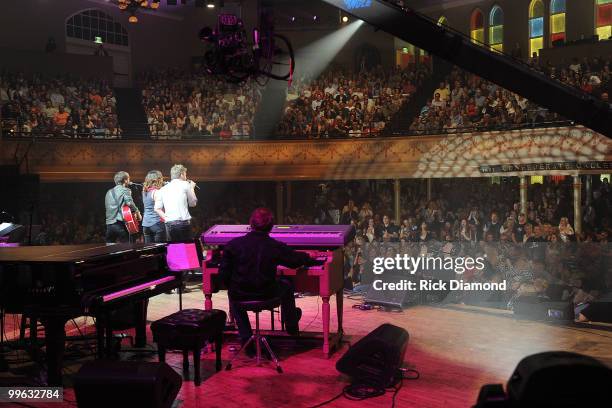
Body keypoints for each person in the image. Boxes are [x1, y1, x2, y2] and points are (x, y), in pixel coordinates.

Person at [218, 208, 324, 349]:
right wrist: (308, 256)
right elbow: (294, 261)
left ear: (251, 224)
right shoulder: (274, 246)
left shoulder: (233, 245)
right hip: (267, 295)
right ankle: (291, 324)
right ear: (271, 227)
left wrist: (233, 283)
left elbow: (223, 275)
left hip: (241, 295)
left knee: (234, 294)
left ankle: (246, 339)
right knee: (286, 283)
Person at [155, 164, 197, 242]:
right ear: (181, 174)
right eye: (185, 175)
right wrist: (192, 188)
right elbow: (193, 203)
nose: (186, 177)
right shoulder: (186, 184)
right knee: (186, 250)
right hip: (183, 223)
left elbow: (157, 208)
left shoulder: (163, 189)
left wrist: (167, 218)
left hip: (169, 224)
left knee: (174, 250)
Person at [104, 170, 141, 243]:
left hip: (109, 225)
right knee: (126, 249)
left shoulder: (108, 192)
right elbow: (129, 203)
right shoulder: (125, 190)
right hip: (120, 223)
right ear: (125, 180)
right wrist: (137, 211)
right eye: (128, 178)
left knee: (109, 249)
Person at [142, 170, 166, 243]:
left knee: (149, 252)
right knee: (160, 251)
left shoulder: (144, 192)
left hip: (146, 225)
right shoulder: (156, 192)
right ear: (159, 179)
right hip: (157, 223)